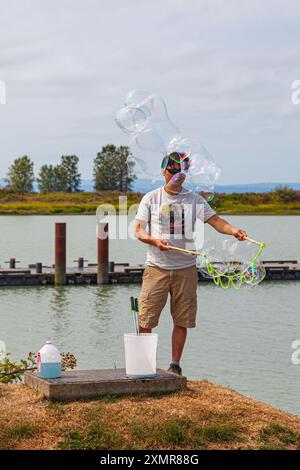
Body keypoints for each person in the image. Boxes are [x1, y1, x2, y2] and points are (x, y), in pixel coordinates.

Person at [134, 152, 247, 375]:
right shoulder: (151, 198)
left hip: (185, 268)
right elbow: (138, 230)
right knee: (146, 317)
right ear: (163, 172)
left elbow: (216, 221)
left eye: (181, 170)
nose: (177, 174)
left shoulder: (193, 199)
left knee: (182, 319)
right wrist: (155, 241)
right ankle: (144, 364)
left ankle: (175, 365)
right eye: (172, 169)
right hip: (156, 268)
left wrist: (233, 231)